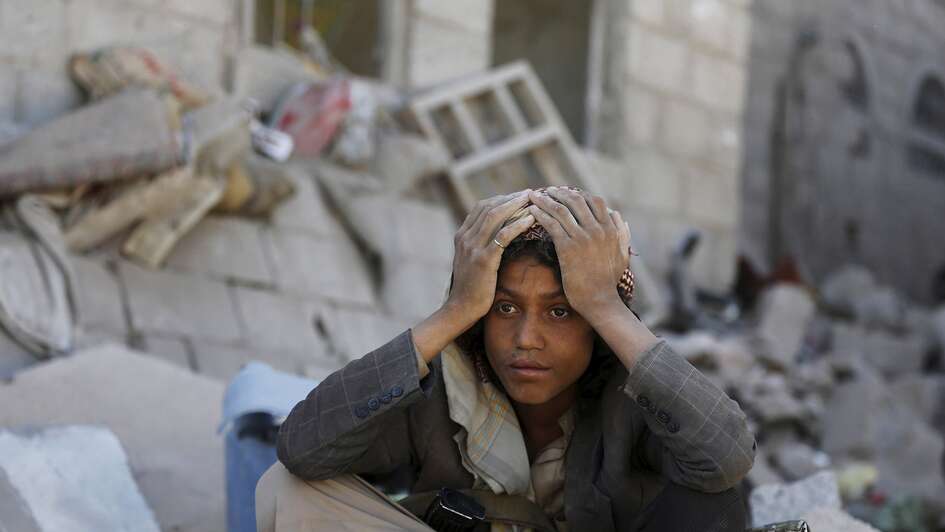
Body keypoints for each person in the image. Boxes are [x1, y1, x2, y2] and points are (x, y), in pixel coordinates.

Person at [256, 187, 755, 531]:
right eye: (505, 308)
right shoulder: (443, 393)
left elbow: (726, 459)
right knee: (288, 488)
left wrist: (604, 302)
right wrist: (454, 311)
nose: (526, 339)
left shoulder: (633, 400)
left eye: (560, 311)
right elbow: (303, 449)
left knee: (712, 496)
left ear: (597, 325)